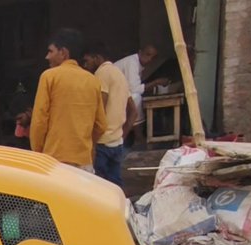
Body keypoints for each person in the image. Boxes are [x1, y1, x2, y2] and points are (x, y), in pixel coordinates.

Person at [30, 29, 106, 172]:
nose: (47, 57)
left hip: (55, 161)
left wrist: (39, 152)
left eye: (50, 51)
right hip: (84, 162)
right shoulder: (93, 81)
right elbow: (101, 125)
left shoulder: (49, 77)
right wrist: (86, 145)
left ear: (63, 53)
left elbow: (39, 121)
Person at [82, 42, 136, 188]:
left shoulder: (102, 73)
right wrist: (122, 135)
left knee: (99, 187)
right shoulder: (119, 74)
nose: (85, 65)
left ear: (97, 58)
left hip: (102, 143)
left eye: (87, 61)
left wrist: (90, 140)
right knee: (116, 186)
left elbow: (100, 110)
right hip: (117, 142)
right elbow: (133, 112)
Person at [114, 45, 169, 145]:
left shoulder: (139, 65)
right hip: (110, 93)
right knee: (136, 98)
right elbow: (134, 89)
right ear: (140, 52)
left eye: (152, 57)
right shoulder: (132, 62)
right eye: (147, 55)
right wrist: (156, 82)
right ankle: (138, 135)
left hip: (117, 93)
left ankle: (133, 136)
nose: (149, 59)